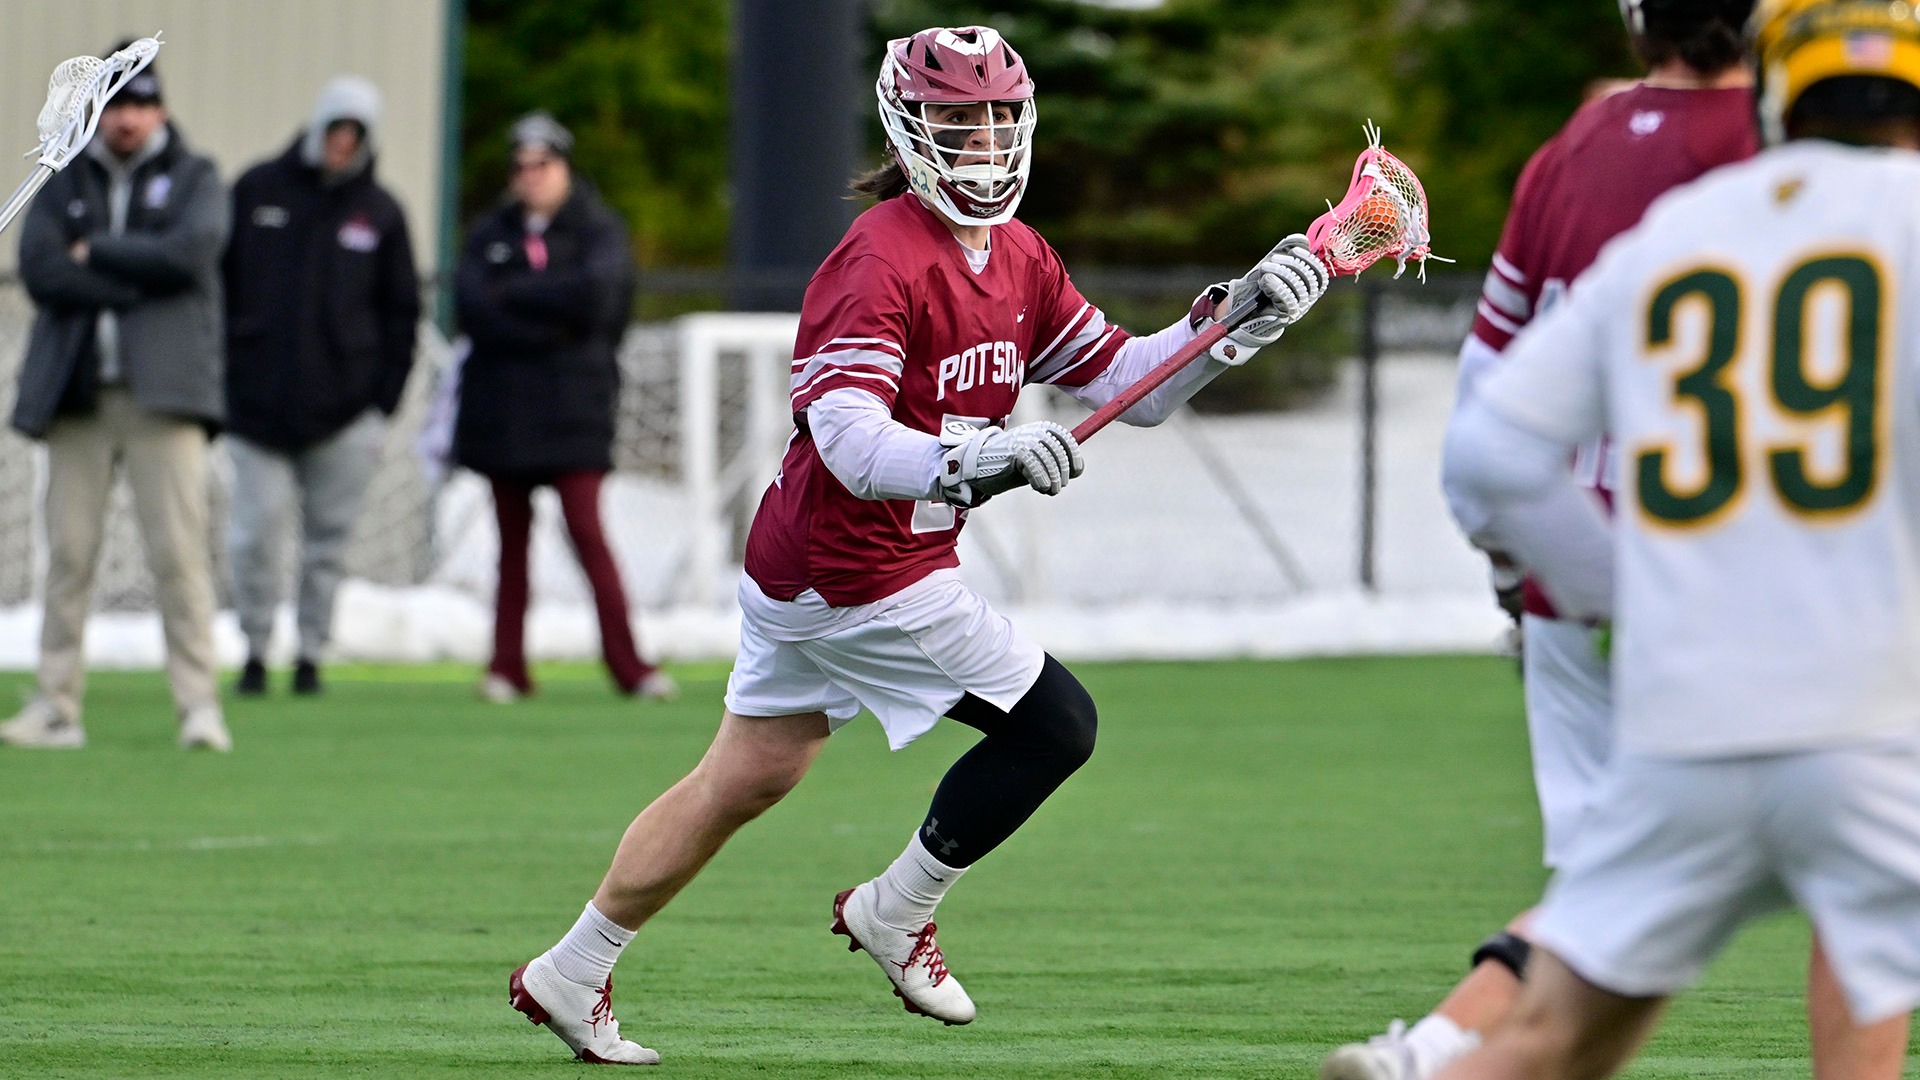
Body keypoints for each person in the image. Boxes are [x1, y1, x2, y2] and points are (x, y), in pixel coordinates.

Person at [503, 25, 1331, 1065]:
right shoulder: (879, 257)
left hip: (815, 557)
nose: (983, 141)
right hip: (858, 569)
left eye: (997, 117)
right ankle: (895, 911)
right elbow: (850, 440)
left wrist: (1234, 324)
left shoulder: (1021, 254)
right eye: (958, 118)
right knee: (1055, 726)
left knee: (743, 780)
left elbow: (1135, 386)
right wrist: (979, 458)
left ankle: (568, 972)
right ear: (908, 128)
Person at [1324, 3, 1911, 1077]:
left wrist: (1619, 590)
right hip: (1867, 699)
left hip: (1689, 690)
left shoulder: (1682, 226)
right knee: (1867, 953)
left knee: (1562, 1032)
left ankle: (1439, 1055)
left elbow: (1488, 443)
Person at [0, 48, 231, 752]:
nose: (127, 119)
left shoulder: (194, 176)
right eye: (117, 105)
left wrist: (93, 252)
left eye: (139, 105)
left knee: (179, 556)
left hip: (165, 396)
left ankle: (198, 706)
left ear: (158, 110)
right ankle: (55, 705)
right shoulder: (64, 177)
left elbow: (190, 256)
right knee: (68, 553)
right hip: (78, 395)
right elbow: (41, 270)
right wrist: (134, 270)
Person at [454, 112, 675, 704]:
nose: (530, 176)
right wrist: (549, 320)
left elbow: (598, 301)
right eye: (520, 165)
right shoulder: (490, 231)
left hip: (575, 410)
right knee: (510, 544)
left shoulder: (597, 229)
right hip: (502, 412)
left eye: (542, 163)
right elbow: (473, 306)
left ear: (565, 166)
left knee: (588, 534)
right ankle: (507, 667)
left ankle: (630, 667)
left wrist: (516, 297)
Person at [223, 76, 420, 697]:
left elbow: (402, 313)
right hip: (255, 410)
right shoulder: (256, 190)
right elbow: (215, 291)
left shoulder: (381, 213)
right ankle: (254, 650)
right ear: (317, 129)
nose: (342, 143)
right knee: (254, 535)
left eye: (354, 134)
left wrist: (380, 404)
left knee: (326, 547)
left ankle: (310, 654)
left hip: (344, 416)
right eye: (335, 130)